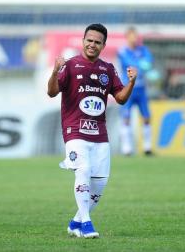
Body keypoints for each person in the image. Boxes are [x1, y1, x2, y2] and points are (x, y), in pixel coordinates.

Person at [47, 23, 137, 238]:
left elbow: (121, 99)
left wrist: (132, 82)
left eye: (97, 42)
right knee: (83, 170)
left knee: (100, 185)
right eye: (89, 40)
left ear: (103, 45)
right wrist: (54, 71)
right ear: (83, 41)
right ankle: (87, 224)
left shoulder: (107, 69)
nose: (92, 45)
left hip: (100, 134)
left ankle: (75, 222)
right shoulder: (69, 66)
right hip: (74, 131)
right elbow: (51, 92)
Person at [117, 27, 154, 156]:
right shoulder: (122, 51)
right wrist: (142, 64)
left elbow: (149, 62)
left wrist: (143, 65)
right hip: (127, 89)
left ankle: (147, 147)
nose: (135, 38)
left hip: (141, 89)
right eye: (132, 35)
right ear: (127, 36)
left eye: (136, 35)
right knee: (126, 118)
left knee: (147, 117)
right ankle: (127, 148)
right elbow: (130, 64)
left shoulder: (143, 49)